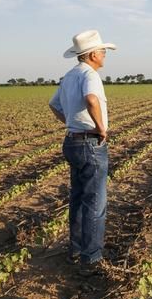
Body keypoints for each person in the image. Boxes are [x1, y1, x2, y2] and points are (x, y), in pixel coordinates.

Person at [49, 30, 116, 277]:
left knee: (78, 198)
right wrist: (101, 128)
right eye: (103, 51)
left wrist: (71, 122)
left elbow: (53, 104)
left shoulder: (69, 76)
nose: (105, 54)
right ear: (92, 54)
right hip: (89, 143)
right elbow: (91, 99)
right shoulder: (90, 75)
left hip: (71, 142)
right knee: (95, 203)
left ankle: (76, 250)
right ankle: (92, 257)